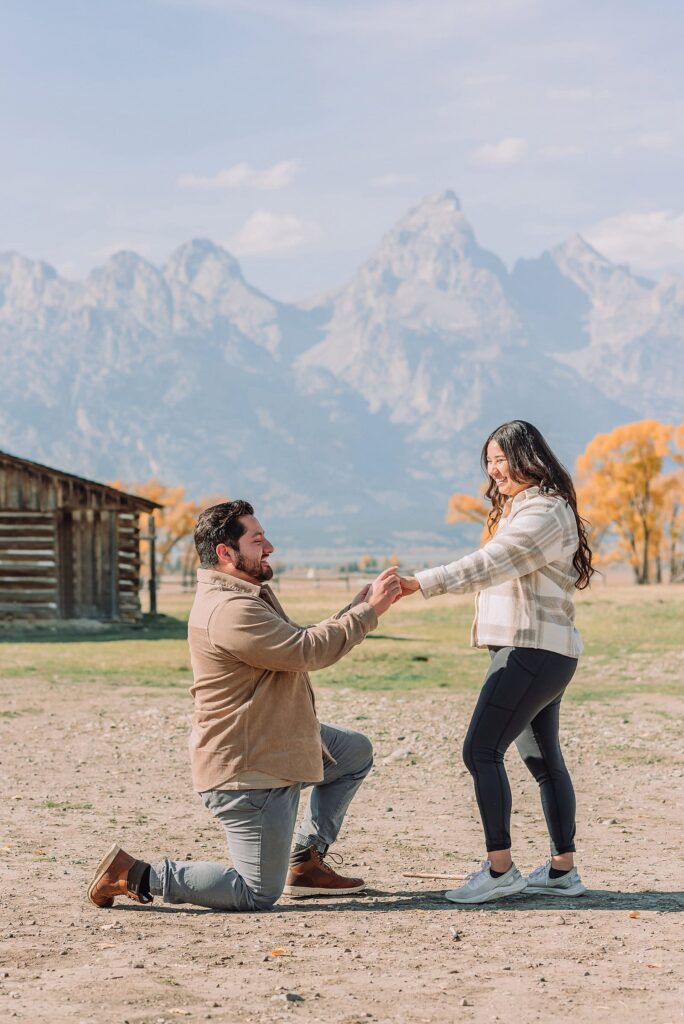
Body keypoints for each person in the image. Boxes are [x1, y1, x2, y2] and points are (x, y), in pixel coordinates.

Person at [88, 499, 402, 912]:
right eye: (257, 540)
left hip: (274, 741)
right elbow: (305, 651)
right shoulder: (230, 611)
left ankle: (304, 864)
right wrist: (369, 613)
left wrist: (353, 610)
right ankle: (133, 874)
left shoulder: (245, 597)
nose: (268, 547)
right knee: (255, 893)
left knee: (353, 752)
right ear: (225, 552)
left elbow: (293, 641)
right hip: (250, 770)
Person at [399, 421, 594, 904]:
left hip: (530, 651)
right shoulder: (525, 509)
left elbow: (492, 563)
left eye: (502, 458)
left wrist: (420, 582)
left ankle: (500, 869)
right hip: (544, 652)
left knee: (480, 751)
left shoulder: (543, 513)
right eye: (489, 460)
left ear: (529, 458)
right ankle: (561, 872)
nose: (494, 468)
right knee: (542, 759)